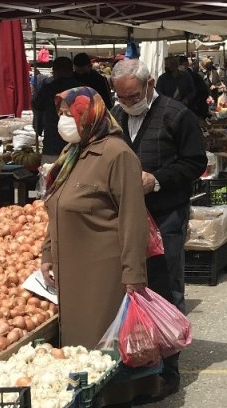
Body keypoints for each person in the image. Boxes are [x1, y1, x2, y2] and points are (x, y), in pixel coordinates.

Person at [38, 87, 157, 406]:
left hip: (104, 273)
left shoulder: (117, 155)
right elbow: (56, 206)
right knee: (79, 345)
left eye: (69, 114)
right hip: (71, 268)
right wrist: (48, 252)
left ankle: (113, 399)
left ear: (89, 115)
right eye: (61, 114)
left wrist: (134, 275)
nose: (63, 121)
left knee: (102, 346)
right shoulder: (71, 154)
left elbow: (133, 219)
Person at [110, 60, 206, 400]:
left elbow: (196, 163)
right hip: (128, 218)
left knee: (166, 288)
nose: (128, 103)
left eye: (133, 96)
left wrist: (158, 180)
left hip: (165, 215)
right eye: (122, 98)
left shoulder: (177, 115)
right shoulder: (116, 116)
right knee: (133, 287)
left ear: (150, 84)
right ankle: (138, 363)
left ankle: (169, 369)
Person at [33, 57, 83, 159]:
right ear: (71, 70)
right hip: (77, 143)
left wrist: (38, 127)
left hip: (52, 142)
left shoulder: (48, 88)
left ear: (55, 71)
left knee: (50, 172)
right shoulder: (82, 89)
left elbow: (37, 107)